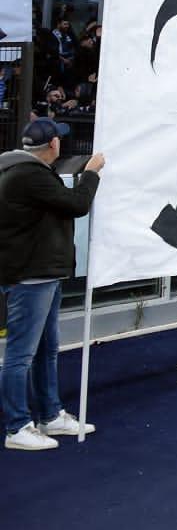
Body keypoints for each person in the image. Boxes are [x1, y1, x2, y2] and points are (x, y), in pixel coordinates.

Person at [0, 119, 103, 451]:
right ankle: (17, 426)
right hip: (32, 275)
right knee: (22, 355)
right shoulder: (29, 175)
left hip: (38, 273)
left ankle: (49, 415)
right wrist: (92, 173)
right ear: (54, 145)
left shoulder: (17, 171)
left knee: (45, 351)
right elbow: (76, 204)